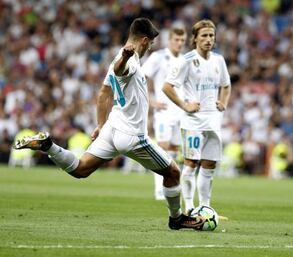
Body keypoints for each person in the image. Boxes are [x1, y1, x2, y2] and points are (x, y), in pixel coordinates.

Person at [14, 18, 205, 230]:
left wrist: (100, 125)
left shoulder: (122, 58)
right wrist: (124, 58)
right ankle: (176, 218)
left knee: (80, 169)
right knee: (173, 173)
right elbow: (119, 70)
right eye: (150, 43)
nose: (150, 47)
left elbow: (104, 93)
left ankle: (49, 146)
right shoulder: (128, 61)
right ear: (144, 40)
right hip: (132, 136)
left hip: (112, 128)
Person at [163, 19, 231, 214]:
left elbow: (226, 85)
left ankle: (205, 206)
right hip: (193, 121)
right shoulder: (187, 61)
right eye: (204, 36)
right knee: (191, 163)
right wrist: (184, 105)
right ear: (195, 39)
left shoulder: (219, 60)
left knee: (209, 164)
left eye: (211, 36)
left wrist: (223, 102)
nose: (208, 39)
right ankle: (189, 206)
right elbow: (167, 86)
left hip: (213, 120)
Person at [142, 27, 187, 200]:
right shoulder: (158, 57)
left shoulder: (184, 59)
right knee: (162, 149)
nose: (179, 43)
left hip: (180, 112)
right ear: (169, 40)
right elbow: (141, 78)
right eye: (176, 39)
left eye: (182, 40)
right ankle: (159, 190)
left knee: (175, 150)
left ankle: (172, 185)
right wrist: (150, 100)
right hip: (164, 111)